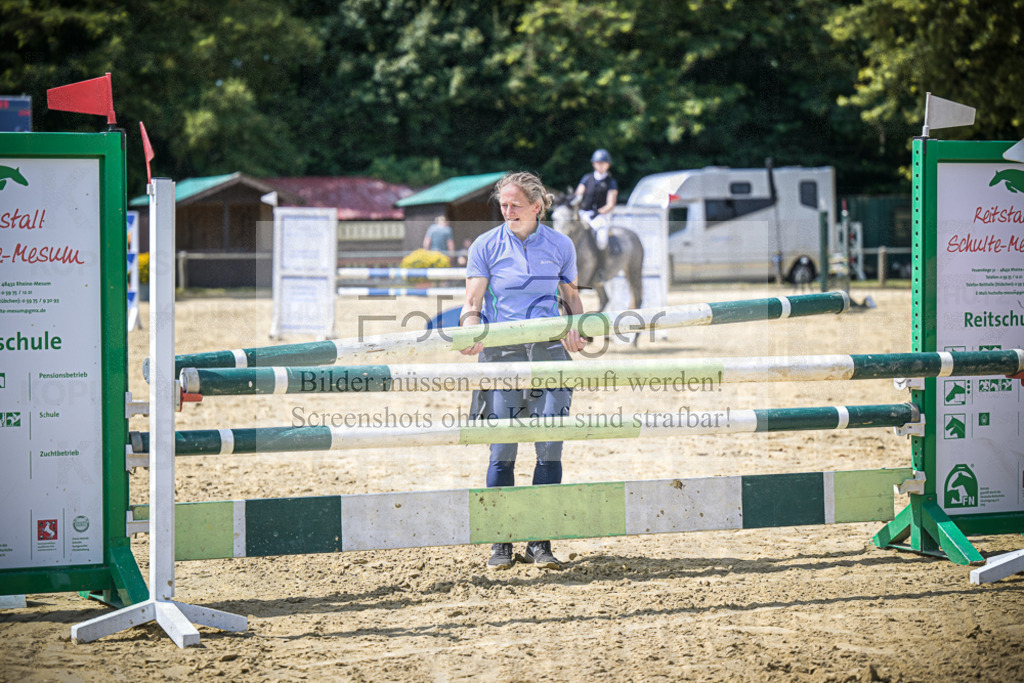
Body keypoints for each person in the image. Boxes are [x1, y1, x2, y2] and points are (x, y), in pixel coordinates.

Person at [461, 171, 588, 571]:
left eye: (515, 204)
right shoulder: (485, 245)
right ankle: (500, 542)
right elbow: (472, 303)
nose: (507, 210)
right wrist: (470, 329)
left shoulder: (561, 245)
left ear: (537, 206)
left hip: (550, 354)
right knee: (503, 449)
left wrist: (576, 332)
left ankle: (540, 542)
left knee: (549, 446)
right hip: (502, 356)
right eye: (503, 205)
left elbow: (572, 301)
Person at [574, 149, 619, 251]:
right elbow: (578, 194)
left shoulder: (611, 182)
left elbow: (610, 204)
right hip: (583, 213)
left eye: (604, 163)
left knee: (602, 240)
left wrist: (597, 212)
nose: (601, 166)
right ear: (594, 164)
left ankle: (601, 265)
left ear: (608, 165)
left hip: (600, 217)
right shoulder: (587, 178)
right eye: (598, 163)